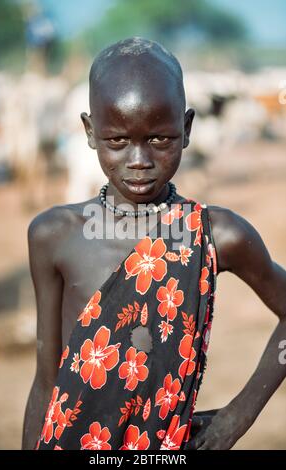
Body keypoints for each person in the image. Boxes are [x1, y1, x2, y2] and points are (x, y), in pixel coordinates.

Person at [22, 37, 286, 450]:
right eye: (117, 141)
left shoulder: (217, 234)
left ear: (187, 128)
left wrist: (236, 418)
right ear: (91, 132)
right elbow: (46, 382)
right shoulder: (53, 234)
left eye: (160, 139)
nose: (139, 160)